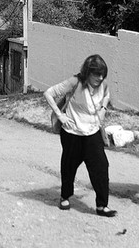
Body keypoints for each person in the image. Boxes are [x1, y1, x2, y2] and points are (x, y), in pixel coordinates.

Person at [44, 54, 116, 217]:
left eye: (102, 74)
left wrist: (103, 109)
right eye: (96, 74)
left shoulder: (103, 84)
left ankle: (102, 205)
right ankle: (65, 196)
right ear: (87, 72)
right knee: (69, 166)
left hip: (92, 133)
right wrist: (60, 115)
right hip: (72, 133)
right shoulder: (75, 82)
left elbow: (107, 96)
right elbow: (49, 93)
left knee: (101, 166)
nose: (100, 77)